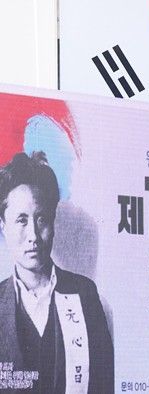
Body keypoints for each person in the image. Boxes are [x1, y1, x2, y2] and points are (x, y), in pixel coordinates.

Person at [0, 152, 113, 393]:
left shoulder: (84, 294)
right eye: (21, 220)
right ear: (3, 226)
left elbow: (104, 384)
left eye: (41, 219)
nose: (33, 235)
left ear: (53, 222)